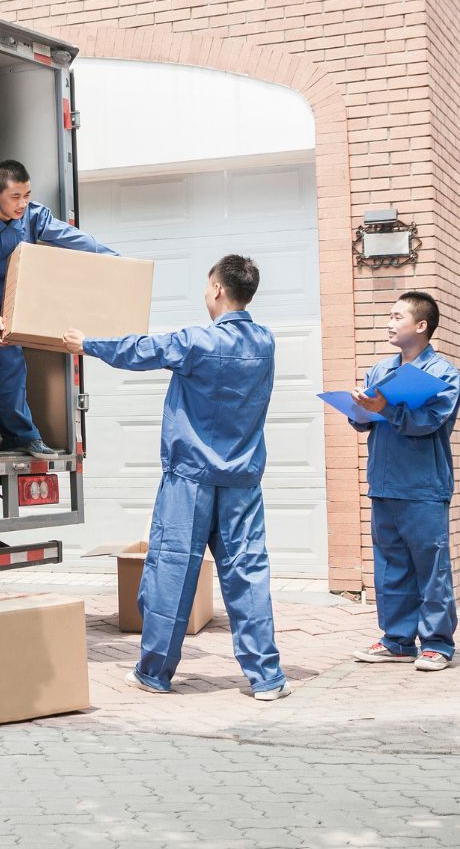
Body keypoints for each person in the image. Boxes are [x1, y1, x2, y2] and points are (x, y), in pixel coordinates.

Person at [62, 255, 287, 701]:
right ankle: (267, 678)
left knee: (172, 573)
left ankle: (155, 672)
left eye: (208, 285)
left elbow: (142, 351)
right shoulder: (265, 342)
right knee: (248, 574)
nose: (206, 293)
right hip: (241, 480)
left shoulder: (197, 341)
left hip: (191, 480)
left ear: (218, 289)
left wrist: (87, 344)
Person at [0, 159, 115, 457]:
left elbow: (72, 238)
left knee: (9, 364)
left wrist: (113, 258)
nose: (23, 204)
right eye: (15, 197)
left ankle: (21, 437)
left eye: (27, 195)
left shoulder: (32, 216)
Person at [345, 292, 460, 673]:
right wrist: (360, 410)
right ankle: (397, 641)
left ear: (421, 325)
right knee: (391, 566)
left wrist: (387, 409)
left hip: (423, 486)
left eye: (397, 316)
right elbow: (363, 422)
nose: (389, 322)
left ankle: (437, 643)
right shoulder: (379, 371)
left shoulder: (444, 374)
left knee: (431, 568)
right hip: (384, 483)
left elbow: (429, 423)